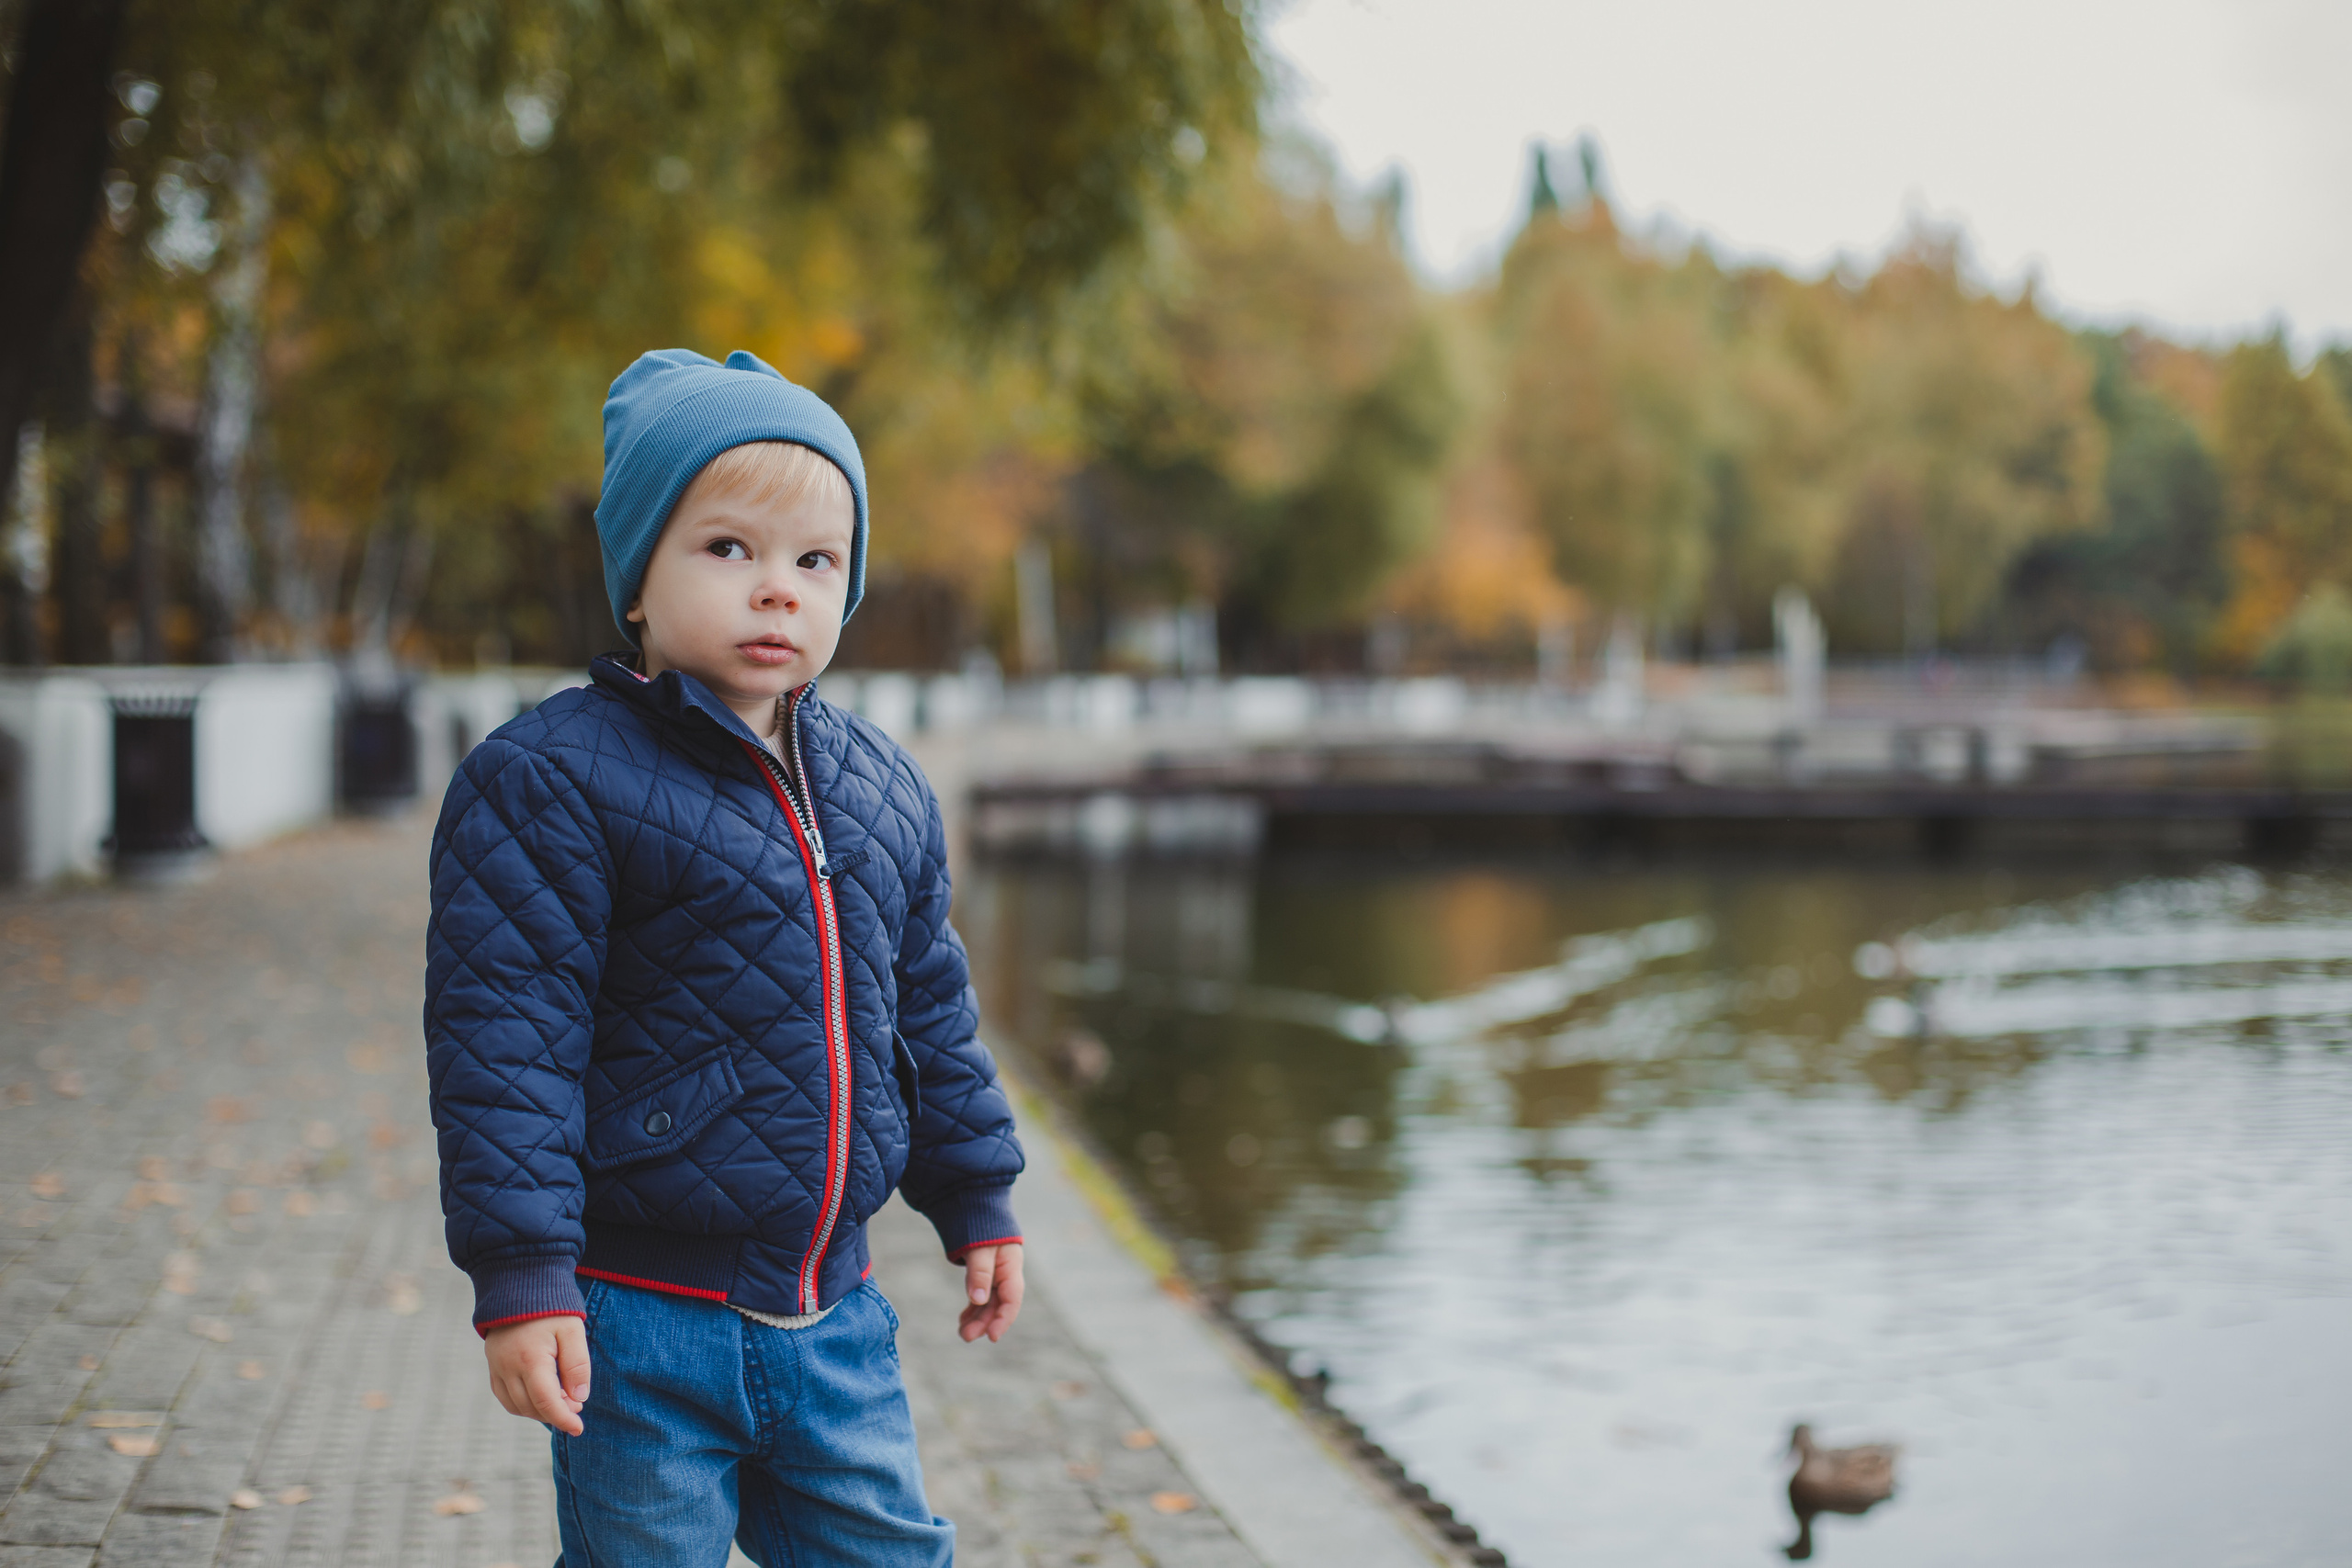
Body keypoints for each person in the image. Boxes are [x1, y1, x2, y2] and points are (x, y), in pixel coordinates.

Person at [425, 348, 1024, 1566]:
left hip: (834, 1322)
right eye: (728, 551)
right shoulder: (549, 782)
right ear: (637, 579)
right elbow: (505, 1042)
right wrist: (525, 1275)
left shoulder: (880, 790)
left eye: (816, 563)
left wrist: (978, 1195)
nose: (777, 593)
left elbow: (930, 1012)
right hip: (639, 1326)